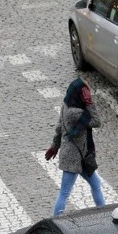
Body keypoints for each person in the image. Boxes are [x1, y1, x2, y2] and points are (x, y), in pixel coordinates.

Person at [45, 77, 105, 215]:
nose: (87, 95)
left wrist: (54, 145)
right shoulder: (75, 112)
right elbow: (96, 121)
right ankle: (56, 220)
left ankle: (103, 213)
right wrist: (89, 103)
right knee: (64, 192)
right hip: (73, 158)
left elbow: (59, 127)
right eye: (85, 93)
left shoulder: (66, 105)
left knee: (95, 184)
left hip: (79, 156)